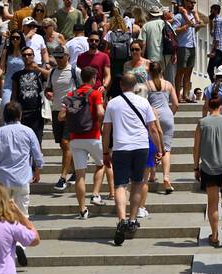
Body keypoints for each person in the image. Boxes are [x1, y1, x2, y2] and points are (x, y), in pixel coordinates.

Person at [102, 72, 163, 246]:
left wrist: (105, 152)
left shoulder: (113, 103)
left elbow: (106, 130)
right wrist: (159, 149)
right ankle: (132, 219)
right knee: (137, 183)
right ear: (136, 86)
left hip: (121, 147)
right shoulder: (144, 102)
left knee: (120, 184)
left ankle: (121, 220)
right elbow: (153, 128)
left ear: (121, 85)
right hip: (141, 146)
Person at [0, 101, 44, 267]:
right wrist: (37, 169)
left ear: (4, 116)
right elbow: (37, 154)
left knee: (0, 212)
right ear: (20, 115)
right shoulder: (28, 131)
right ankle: (20, 243)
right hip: (23, 178)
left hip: (3, 178)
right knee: (22, 212)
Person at [54, 66, 104, 218]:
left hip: (75, 138)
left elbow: (60, 117)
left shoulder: (70, 94)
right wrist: (99, 124)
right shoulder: (95, 93)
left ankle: (82, 210)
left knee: (80, 174)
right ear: (94, 78)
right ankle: (95, 194)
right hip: (93, 135)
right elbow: (100, 112)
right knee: (101, 165)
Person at [195, 95, 222, 247]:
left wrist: (195, 166)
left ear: (208, 106)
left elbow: (196, 147)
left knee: (212, 203)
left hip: (208, 167)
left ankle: (214, 235)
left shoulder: (201, 123)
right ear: (221, 107)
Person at [142, 60, 180, 208]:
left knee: (153, 145)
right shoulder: (168, 84)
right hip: (167, 115)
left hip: (152, 115)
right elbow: (176, 103)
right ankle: (166, 177)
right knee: (166, 149)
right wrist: (171, 114)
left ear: (150, 72)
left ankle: (152, 174)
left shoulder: (146, 85)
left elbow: (140, 102)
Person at [45, 46, 77, 185]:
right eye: (56, 57)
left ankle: (63, 177)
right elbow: (48, 88)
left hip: (71, 112)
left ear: (67, 56)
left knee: (65, 142)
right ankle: (76, 170)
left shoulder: (75, 71)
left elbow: (84, 90)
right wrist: (48, 93)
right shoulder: (52, 72)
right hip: (56, 111)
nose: (57, 59)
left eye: (60, 56)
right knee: (62, 144)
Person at [9, 46, 48, 143]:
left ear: (33, 56)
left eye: (29, 54)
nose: (27, 57)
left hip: (36, 112)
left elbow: (50, 75)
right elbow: (14, 93)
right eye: (24, 55)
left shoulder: (39, 72)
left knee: (37, 141)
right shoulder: (17, 75)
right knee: (22, 142)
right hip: (22, 112)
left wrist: (38, 68)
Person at [171, 0, 199, 100]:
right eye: (191, 2)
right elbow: (174, 30)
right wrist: (185, 26)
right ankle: (177, 96)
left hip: (192, 45)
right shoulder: (179, 16)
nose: (193, 4)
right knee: (180, 72)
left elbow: (194, 28)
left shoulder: (191, 16)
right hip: (183, 46)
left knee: (189, 71)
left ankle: (186, 95)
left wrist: (196, 26)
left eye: (194, 3)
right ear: (185, 2)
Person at [0, 30, 27, 107]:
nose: (15, 40)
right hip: (9, 82)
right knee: (5, 105)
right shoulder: (6, 51)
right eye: (13, 38)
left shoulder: (25, 52)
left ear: (21, 39)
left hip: (22, 83)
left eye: (17, 38)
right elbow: (1, 67)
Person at [76, 30, 112, 95]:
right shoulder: (81, 56)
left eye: (96, 41)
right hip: (83, 91)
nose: (94, 42)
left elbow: (107, 75)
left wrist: (104, 86)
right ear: (88, 41)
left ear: (99, 42)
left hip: (98, 91)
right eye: (91, 40)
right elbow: (78, 74)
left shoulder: (104, 57)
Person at [105, 12, 134, 86]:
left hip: (113, 59)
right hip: (125, 59)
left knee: (114, 78)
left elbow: (106, 46)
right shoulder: (127, 34)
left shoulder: (110, 33)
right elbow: (131, 45)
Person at [139, 6, 168, 74]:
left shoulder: (146, 26)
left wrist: (141, 57)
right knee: (161, 74)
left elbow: (143, 43)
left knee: (153, 75)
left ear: (149, 15)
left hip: (152, 55)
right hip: (165, 56)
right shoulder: (166, 23)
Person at [206, 3, 222, 80]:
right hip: (221, 49)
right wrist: (210, 21)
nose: (210, 11)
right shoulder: (220, 20)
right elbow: (212, 33)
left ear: (215, 10)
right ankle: (221, 84)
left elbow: (217, 37)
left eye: (211, 10)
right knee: (220, 71)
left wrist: (213, 51)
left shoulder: (218, 20)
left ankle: (215, 84)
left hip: (218, 49)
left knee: (210, 69)